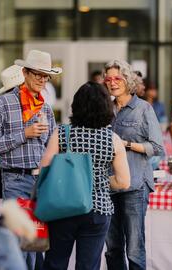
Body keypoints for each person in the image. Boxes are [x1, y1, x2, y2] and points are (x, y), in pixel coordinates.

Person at [0, 50, 61, 269]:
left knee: (35, 244)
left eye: (46, 76)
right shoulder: (4, 103)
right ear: (25, 73)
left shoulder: (45, 107)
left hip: (40, 183)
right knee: (14, 243)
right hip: (15, 180)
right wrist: (24, 134)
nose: (42, 80)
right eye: (38, 74)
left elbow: (51, 148)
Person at [41, 82, 130, 270]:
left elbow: (44, 169)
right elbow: (123, 182)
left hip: (62, 207)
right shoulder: (113, 139)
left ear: (76, 106)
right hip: (98, 209)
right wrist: (98, 181)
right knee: (88, 266)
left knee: (55, 262)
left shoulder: (61, 133)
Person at [103, 60, 164, 270]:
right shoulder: (104, 109)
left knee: (134, 248)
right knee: (112, 248)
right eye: (108, 79)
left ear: (127, 80)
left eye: (117, 78)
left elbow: (157, 147)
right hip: (108, 186)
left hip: (135, 186)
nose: (113, 83)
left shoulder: (143, 108)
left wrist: (127, 145)